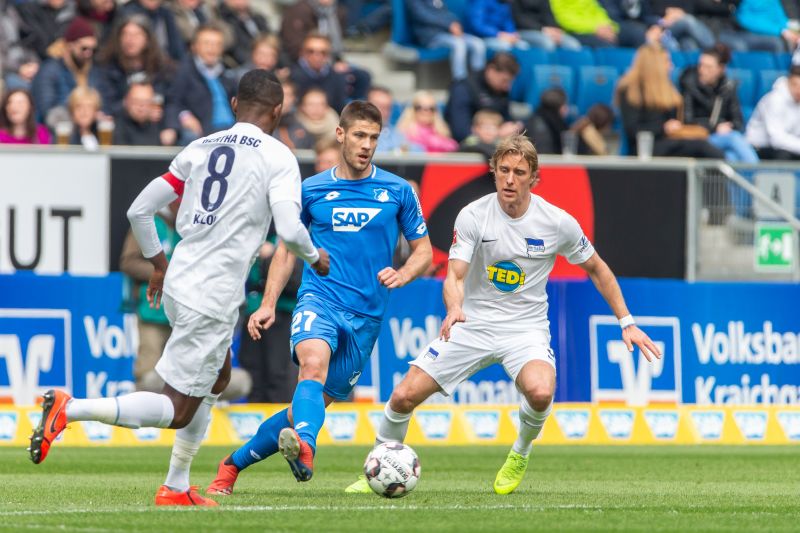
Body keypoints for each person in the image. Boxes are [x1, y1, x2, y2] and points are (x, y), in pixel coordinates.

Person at [28, 70, 330, 509]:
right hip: (212, 293)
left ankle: (176, 485)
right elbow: (288, 227)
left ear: (233, 104)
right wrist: (315, 257)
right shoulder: (278, 156)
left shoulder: (200, 146)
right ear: (279, 111)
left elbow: (139, 210)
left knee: (218, 378)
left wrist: (158, 264)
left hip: (181, 278)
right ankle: (70, 409)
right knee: (177, 409)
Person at [344, 135, 662, 495]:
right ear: (494, 172)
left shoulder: (557, 222)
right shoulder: (473, 215)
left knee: (540, 392)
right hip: (472, 325)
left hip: (525, 330)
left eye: (519, 172)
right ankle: (375, 467)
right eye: (504, 170)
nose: (510, 179)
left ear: (534, 178)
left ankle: (520, 453)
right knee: (403, 396)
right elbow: (455, 276)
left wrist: (626, 322)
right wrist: (455, 308)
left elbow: (597, 268)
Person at [205, 100, 433, 495]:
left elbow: (424, 251)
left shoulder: (398, 191)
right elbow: (285, 249)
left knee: (305, 409)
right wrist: (268, 303)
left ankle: (231, 466)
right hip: (320, 300)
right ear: (340, 134)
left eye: (374, 138)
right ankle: (307, 447)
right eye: (359, 135)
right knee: (311, 367)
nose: (366, 145)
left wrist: (404, 273)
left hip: (367, 317)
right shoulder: (310, 190)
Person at [616, 43, 724, 158]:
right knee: (701, 147)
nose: (671, 66)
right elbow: (632, 130)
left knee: (707, 145)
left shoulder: (666, 88)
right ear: (655, 65)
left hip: (668, 141)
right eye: (667, 61)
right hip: (644, 147)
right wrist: (663, 128)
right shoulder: (630, 90)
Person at [679, 44, 758, 163]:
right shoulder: (689, 85)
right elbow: (687, 120)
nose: (702, 70)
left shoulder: (727, 87)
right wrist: (715, 128)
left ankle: (754, 173)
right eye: (701, 65)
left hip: (720, 138)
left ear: (721, 69)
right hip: (698, 137)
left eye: (708, 67)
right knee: (733, 138)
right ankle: (758, 170)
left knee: (732, 156)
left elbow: (738, 121)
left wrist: (728, 126)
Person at [164, 23, 237, 144]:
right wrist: (184, 116)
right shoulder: (183, 71)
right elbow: (173, 102)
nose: (212, 49)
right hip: (206, 133)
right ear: (194, 46)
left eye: (217, 44)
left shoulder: (228, 74)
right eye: (207, 43)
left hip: (233, 131)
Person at [95, 15, 175, 117]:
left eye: (136, 35)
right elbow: (106, 105)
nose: (130, 40)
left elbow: (172, 101)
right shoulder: (108, 67)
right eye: (125, 35)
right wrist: (128, 106)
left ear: (147, 40)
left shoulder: (161, 68)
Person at [31, 17, 102, 125]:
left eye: (93, 49)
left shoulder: (94, 71)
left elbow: (104, 103)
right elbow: (46, 110)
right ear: (70, 45)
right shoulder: (49, 70)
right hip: (60, 130)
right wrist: (80, 114)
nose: (89, 53)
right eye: (84, 48)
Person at [445, 52, 521, 143]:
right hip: (469, 145)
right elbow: (461, 132)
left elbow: (508, 120)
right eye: (504, 80)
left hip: (496, 142)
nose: (507, 87)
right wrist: (496, 133)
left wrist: (515, 126)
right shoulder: (463, 88)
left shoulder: (501, 91)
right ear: (491, 70)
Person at [407, 0, 486, 81]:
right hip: (430, 36)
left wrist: (455, 23)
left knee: (478, 43)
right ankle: (460, 82)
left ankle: (478, 81)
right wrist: (449, 25)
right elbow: (422, 15)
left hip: (447, 33)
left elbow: (445, 12)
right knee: (458, 44)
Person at [747, 65, 800, 160]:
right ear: (788, 82)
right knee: (784, 155)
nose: (798, 90)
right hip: (758, 148)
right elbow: (777, 140)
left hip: (785, 148)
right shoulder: (774, 100)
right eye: (795, 85)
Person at [290, 32, 348, 113]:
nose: (317, 56)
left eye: (323, 52)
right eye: (311, 51)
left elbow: (340, 110)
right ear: (302, 52)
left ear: (329, 54)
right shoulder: (291, 77)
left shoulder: (337, 78)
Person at [367, 85, 423, 153]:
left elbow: (419, 150)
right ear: (367, 107)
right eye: (379, 106)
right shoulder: (359, 131)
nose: (383, 112)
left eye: (387, 107)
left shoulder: (394, 132)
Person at [216, 0, 270, 68]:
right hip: (245, 65)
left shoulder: (258, 17)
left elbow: (272, 41)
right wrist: (256, 61)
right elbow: (235, 50)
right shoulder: (224, 19)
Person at [510, 0, 582, 51]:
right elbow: (519, 19)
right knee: (547, 42)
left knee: (572, 44)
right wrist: (542, 29)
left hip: (546, 32)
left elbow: (549, 15)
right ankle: (551, 68)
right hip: (524, 31)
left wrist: (555, 31)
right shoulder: (516, 2)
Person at [113, 82, 163, 146]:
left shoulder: (161, 128)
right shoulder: (114, 128)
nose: (141, 106)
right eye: (136, 101)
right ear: (126, 101)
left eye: (146, 102)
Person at [526, 87, 569, 154]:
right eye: (565, 105)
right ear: (560, 107)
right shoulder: (552, 126)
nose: (567, 109)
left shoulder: (537, 118)